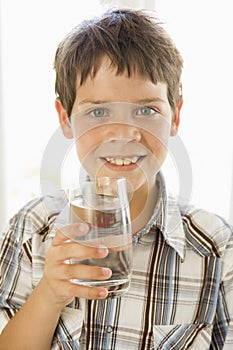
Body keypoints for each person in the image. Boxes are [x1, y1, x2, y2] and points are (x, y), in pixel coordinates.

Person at [0, 8, 232, 350]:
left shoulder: (217, 249)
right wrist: (49, 293)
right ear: (65, 120)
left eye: (146, 110)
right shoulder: (32, 229)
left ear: (174, 117)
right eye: (97, 112)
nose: (123, 133)